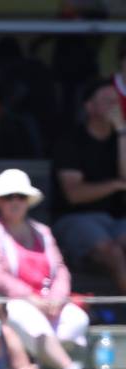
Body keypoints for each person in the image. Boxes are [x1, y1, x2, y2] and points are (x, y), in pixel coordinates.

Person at [0, 169, 90, 369]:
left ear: (28, 200)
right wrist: (29, 297)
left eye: (20, 196)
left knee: (78, 319)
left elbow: (60, 269)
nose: (15, 202)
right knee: (27, 317)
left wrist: (57, 298)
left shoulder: (42, 232)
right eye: (8, 197)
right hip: (4, 306)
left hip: (48, 305)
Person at [51, 79, 126, 293]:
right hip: (76, 218)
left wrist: (121, 131)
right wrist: (114, 185)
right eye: (106, 101)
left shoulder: (120, 139)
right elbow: (75, 194)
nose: (114, 106)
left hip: (117, 220)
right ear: (89, 107)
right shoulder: (71, 141)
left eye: (116, 101)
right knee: (112, 252)